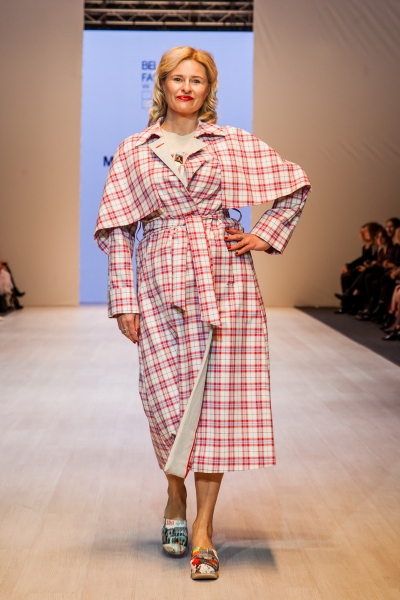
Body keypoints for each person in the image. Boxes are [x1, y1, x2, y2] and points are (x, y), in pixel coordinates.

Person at [95, 46, 310, 580]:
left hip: (225, 281)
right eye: (178, 78)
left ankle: (203, 530)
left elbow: (296, 183)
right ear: (163, 85)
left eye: (197, 80)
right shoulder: (134, 149)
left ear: (208, 89)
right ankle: (174, 493)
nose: (187, 88)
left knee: (215, 409)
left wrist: (263, 235)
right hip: (159, 282)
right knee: (164, 401)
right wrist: (124, 301)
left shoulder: (230, 142)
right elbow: (119, 231)